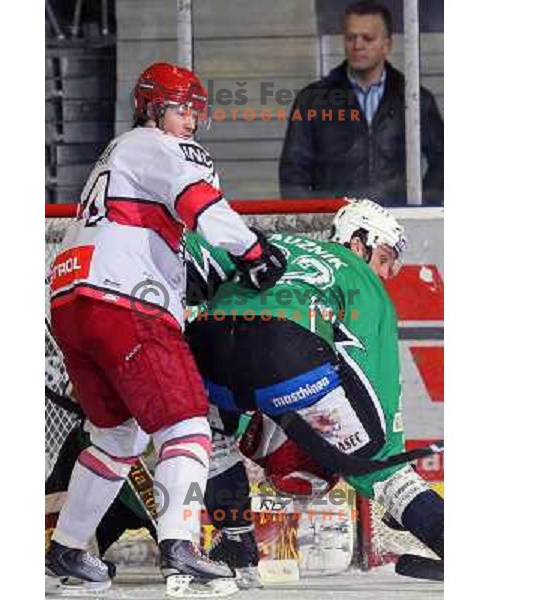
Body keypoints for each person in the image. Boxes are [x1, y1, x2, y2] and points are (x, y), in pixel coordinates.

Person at [45, 61, 286, 597]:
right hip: (124, 299)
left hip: (71, 300)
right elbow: (197, 200)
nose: (190, 122)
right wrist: (251, 250)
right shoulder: (151, 143)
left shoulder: (117, 155)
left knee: (116, 436)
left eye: (197, 113)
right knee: (186, 425)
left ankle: (67, 548)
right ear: (153, 109)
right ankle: (179, 542)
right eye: (181, 109)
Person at [184, 199, 444, 581]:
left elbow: (194, 252)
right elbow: (374, 368)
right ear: (358, 243)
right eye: (386, 257)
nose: (387, 272)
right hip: (285, 351)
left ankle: (235, 544)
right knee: (382, 466)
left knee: (209, 439)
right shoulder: (359, 274)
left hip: (208, 342)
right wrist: (383, 456)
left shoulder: (268, 242)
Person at [279, 1, 444, 206]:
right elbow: (293, 172)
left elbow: (443, 161)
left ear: (387, 45)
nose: (358, 45)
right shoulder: (312, 100)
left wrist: (422, 206)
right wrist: (311, 217)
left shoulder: (413, 99)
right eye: (351, 37)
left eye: (368, 38)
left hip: (396, 220)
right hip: (334, 221)